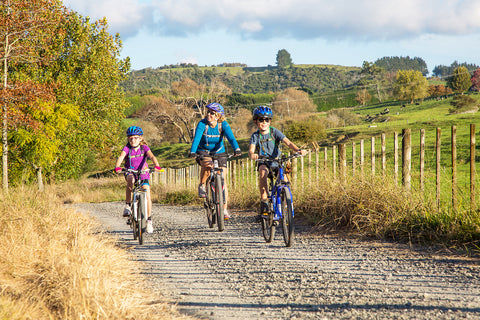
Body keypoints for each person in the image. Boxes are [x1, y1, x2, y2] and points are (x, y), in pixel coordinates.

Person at [248, 106, 308, 218]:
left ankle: (285, 204)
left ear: (270, 121)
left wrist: (298, 150)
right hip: (264, 162)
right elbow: (251, 149)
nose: (264, 122)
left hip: (277, 162)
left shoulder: (274, 132)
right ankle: (264, 201)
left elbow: (288, 143)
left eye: (267, 120)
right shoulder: (256, 136)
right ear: (256, 121)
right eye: (261, 120)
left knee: (285, 180)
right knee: (263, 173)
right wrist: (253, 154)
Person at [189, 102, 241, 219]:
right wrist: (193, 151)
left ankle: (224, 209)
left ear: (218, 115)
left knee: (222, 179)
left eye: (212, 113)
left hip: (219, 151)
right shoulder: (202, 124)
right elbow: (197, 137)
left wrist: (236, 149)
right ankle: (202, 185)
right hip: (203, 151)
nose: (209, 115)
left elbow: (231, 138)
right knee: (208, 166)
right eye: (208, 112)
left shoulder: (223, 124)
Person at [115, 126, 162, 233]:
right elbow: (121, 157)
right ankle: (127, 205)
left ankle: (149, 221)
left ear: (140, 138)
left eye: (136, 138)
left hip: (143, 172)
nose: (133, 140)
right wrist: (117, 167)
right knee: (130, 180)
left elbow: (152, 157)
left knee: (147, 193)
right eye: (130, 138)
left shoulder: (144, 147)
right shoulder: (127, 148)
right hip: (130, 171)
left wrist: (157, 165)